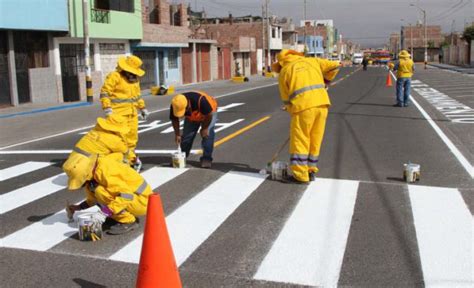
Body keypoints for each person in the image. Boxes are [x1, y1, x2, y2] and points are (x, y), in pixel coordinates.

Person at [272, 49, 340, 184]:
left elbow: (286, 100)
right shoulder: (313, 61)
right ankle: (311, 170)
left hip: (303, 108)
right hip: (322, 104)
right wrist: (326, 81)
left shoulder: (285, 72)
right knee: (315, 139)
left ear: (281, 62)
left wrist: (293, 113)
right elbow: (336, 65)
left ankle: (300, 175)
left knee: (301, 140)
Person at [63, 152, 152, 235]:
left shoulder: (105, 171)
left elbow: (126, 195)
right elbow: (93, 198)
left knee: (99, 191)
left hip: (142, 201)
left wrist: (103, 213)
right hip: (134, 198)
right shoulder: (94, 171)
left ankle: (128, 221)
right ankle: (115, 216)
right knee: (95, 188)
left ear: (85, 174)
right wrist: (79, 207)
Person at [100, 55, 149, 171]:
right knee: (120, 139)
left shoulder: (134, 79)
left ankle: (130, 160)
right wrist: (107, 108)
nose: (133, 75)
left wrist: (142, 108)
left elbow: (137, 96)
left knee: (132, 138)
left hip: (132, 113)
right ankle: (121, 161)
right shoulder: (114, 76)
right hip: (117, 114)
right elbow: (105, 92)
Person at [170, 91, 218, 168]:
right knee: (187, 136)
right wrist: (177, 134)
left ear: (187, 105)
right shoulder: (176, 103)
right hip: (192, 116)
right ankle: (182, 156)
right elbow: (174, 119)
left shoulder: (201, 100)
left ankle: (206, 158)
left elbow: (209, 115)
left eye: (183, 111)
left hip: (209, 113)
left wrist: (204, 128)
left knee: (207, 135)